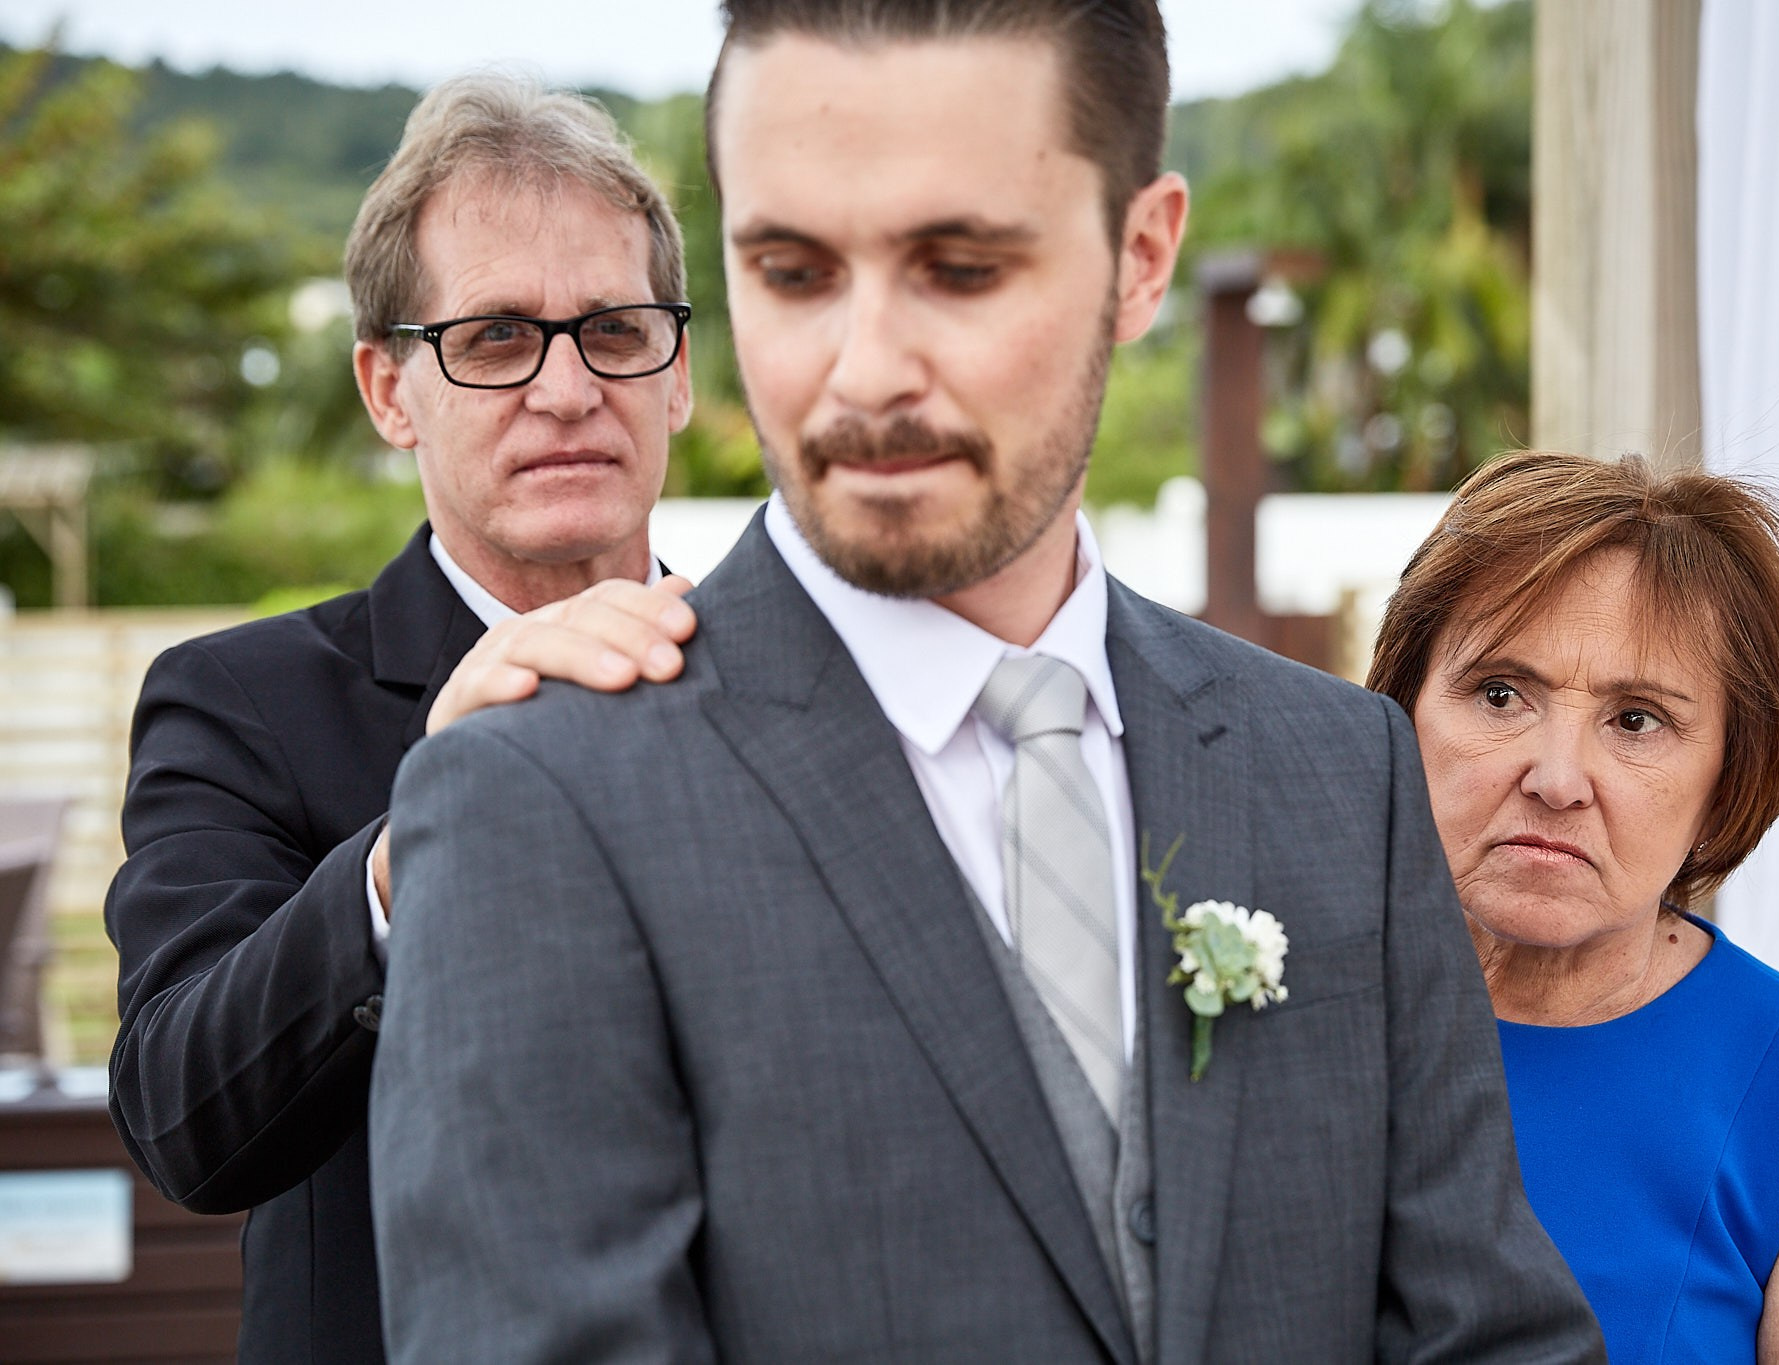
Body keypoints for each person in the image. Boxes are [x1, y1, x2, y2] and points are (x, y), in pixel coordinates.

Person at [368, 3, 1606, 1361]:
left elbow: (1489, 1333)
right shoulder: (535, 804)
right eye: (791, 272)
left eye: (958, 269)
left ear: (1140, 259)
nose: (865, 372)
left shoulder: (1340, 770)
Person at [103, 74, 701, 1363]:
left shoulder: (783, 682)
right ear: (386, 391)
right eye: (494, 337)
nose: (566, 389)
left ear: (679, 376)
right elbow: (184, 1119)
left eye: (614, 329)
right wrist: (413, 834)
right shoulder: (243, 705)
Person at [1366, 450, 1779, 1363]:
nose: (1557, 779)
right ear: (1401, 710)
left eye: (1636, 719)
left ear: (1728, 779)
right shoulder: (1280, 997)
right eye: (1501, 693)